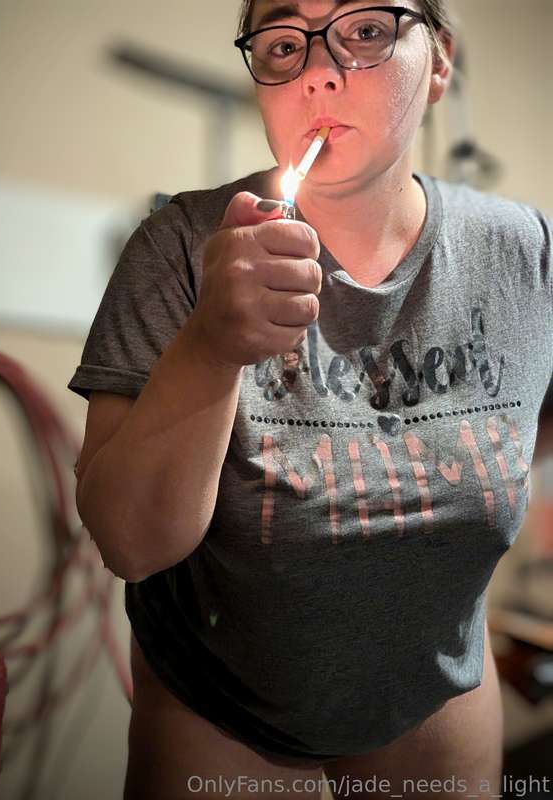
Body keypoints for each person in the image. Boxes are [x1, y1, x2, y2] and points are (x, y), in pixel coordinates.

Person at [68, 1, 553, 797]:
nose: (319, 73)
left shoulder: (526, 257)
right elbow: (131, 543)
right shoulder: (179, 249)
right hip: (220, 713)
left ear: (439, 60)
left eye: (366, 31)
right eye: (285, 43)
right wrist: (210, 347)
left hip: (435, 702)